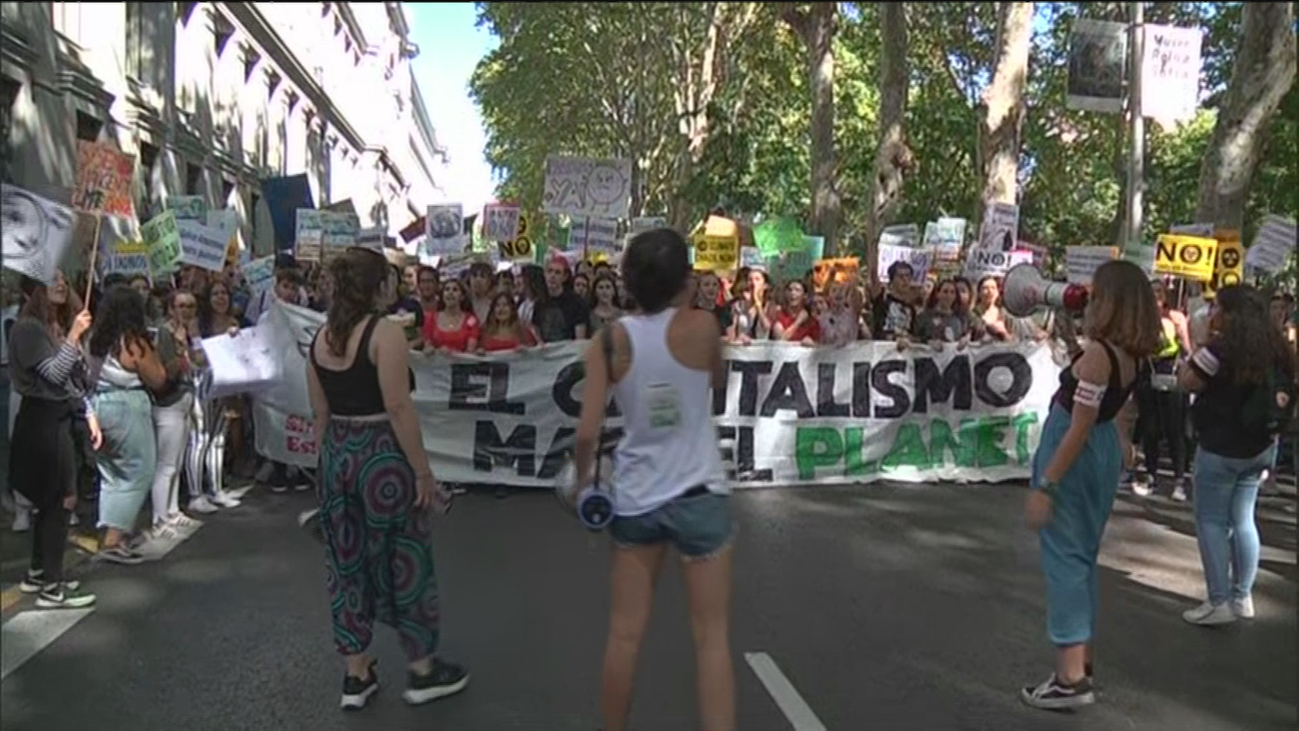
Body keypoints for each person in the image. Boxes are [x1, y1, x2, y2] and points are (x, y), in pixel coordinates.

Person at [574, 228, 735, 731]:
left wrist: (585, 484)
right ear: (684, 278)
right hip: (701, 491)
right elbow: (719, 385)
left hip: (637, 498)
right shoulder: (705, 326)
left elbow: (586, 434)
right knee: (711, 638)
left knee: (625, 635)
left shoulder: (609, 340)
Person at [306, 247, 466, 711]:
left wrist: (329, 466)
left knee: (346, 565)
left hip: (338, 453)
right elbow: (399, 407)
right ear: (377, 286)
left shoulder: (319, 339)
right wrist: (423, 471)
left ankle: (356, 674)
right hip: (383, 459)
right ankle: (422, 669)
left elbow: (319, 413)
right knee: (406, 558)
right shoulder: (386, 334)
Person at [1021, 260, 1161, 711]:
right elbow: (1115, 410)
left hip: (1076, 451)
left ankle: (1070, 679)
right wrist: (1122, 441)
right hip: (1100, 451)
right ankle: (1081, 663)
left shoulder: (1100, 354)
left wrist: (1047, 485)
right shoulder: (1129, 353)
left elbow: (1078, 426)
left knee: (1065, 561)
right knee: (1080, 558)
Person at [1177, 285, 1297, 626]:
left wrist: (1198, 343)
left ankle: (1218, 601)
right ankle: (1242, 596)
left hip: (1220, 447)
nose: (1211, 312)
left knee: (1211, 521)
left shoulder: (1219, 349)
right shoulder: (1279, 349)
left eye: (1216, 307)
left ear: (1230, 313)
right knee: (1243, 519)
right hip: (1261, 446)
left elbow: (1188, 382)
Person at [8, 273, 99, 607]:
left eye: (63, 280)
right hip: (41, 420)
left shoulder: (52, 328)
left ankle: (38, 572)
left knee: (53, 500)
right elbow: (54, 374)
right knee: (60, 501)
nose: (61, 285)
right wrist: (73, 336)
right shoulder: (28, 329)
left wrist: (87, 411)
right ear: (36, 290)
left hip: (59, 416)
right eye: (52, 281)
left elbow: (75, 380)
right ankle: (52, 586)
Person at [88, 285, 170, 564]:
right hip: (128, 406)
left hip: (99, 406)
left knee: (111, 475)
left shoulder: (93, 339)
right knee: (139, 471)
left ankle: (112, 531)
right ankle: (114, 538)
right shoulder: (134, 342)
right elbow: (157, 378)